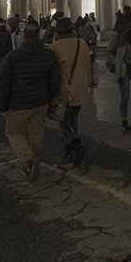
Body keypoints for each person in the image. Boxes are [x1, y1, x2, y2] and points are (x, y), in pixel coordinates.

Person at [0, 24, 61, 179]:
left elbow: (4, 83)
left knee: (14, 132)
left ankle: (27, 159)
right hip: (39, 101)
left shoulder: (13, 56)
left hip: (17, 102)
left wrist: (3, 105)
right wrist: (48, 97)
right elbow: (54, 81)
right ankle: (35, 159)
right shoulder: (49, 55)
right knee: (37, 132)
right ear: (39, 35)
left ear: (23, 36)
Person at [50, 16, 91, 164]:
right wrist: (90, 83)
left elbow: (54, 72)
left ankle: (76, 145)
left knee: (63, 122)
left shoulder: (55, 46)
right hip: (81, 86)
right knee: (74, 118)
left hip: (65, 89)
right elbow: (88, 65)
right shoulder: (82, 43)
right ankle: (71, 149)